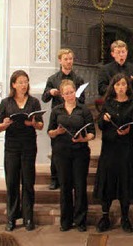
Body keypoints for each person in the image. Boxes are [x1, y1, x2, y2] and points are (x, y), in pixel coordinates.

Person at [0, 70, 44, 231]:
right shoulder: (6, 102)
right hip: (12, 146)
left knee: (28, 182)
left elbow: (41, 125)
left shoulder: (34, 102)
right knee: (12, 182)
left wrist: (33, 124)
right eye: (21, 82)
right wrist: (5, 124)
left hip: (29, 145)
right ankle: (11, 218)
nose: (24, 85)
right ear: (13, 84)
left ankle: (28, 217)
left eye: (26, 82)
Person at [94, 74, 133, 233]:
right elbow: (100, 125)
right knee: (108, 180)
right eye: (118, 85)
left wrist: (129, 129)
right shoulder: (108, 102)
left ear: (127, 86)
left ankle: (125, 217)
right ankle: (105, 216)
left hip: (125, 146)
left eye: (123, 84)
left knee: (125, 180)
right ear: (113, 87)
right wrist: (104, 119)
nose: (121, 87)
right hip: (109, 147)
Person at [47, 79, 95, 232]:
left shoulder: (83, 110)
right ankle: (66, 221)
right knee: (65, 187)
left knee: (80, 186)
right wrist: (57, 132)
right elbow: (50, 132)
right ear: (61, 95)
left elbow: (92, 132)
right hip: (61, 152)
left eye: (72, 92)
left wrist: (83, 138)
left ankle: (80, 220)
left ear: (75, 92)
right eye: (66, 93)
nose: (69, 95)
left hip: (80, 151)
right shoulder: (57, 111)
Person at [42, 48, 86, 190]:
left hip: (74, 115)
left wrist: (74, 98)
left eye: (71, 59)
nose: (69, 61)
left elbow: (83, 100)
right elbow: (45, 97)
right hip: (59, 116)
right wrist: (51, 92)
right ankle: (55, 178)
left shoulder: (78, 79)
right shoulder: (53, 79)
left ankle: (72, 178)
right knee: (57, 149)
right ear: (60, 60)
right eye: (66, 59)